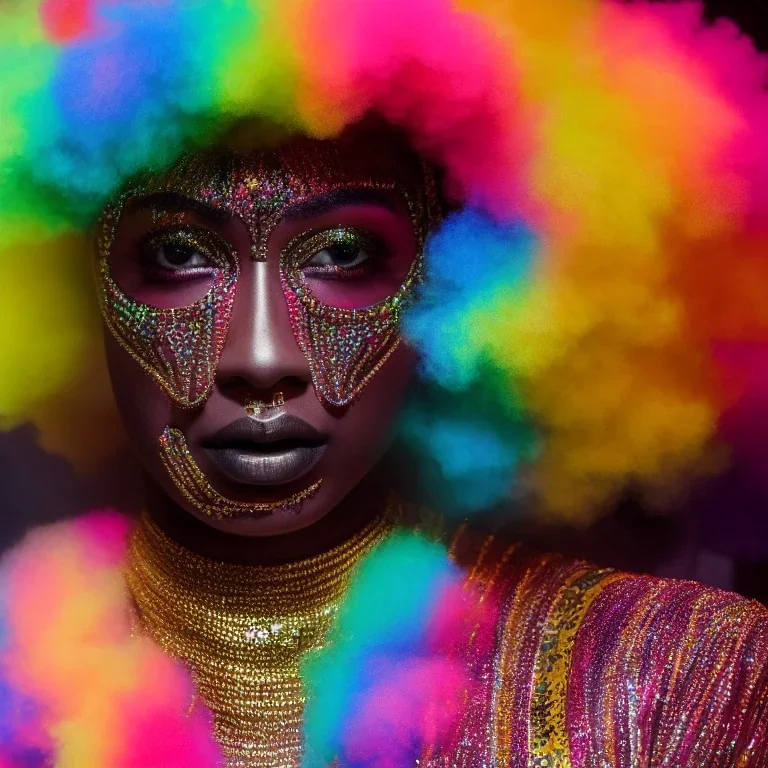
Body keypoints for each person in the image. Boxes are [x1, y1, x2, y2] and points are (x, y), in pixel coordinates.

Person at [0, 1, 766, 766]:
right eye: (176, 255)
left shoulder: (676, 679)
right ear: (77, 282)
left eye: (341, 255)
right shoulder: (20, 677)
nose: (260, 358)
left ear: (461, 275)